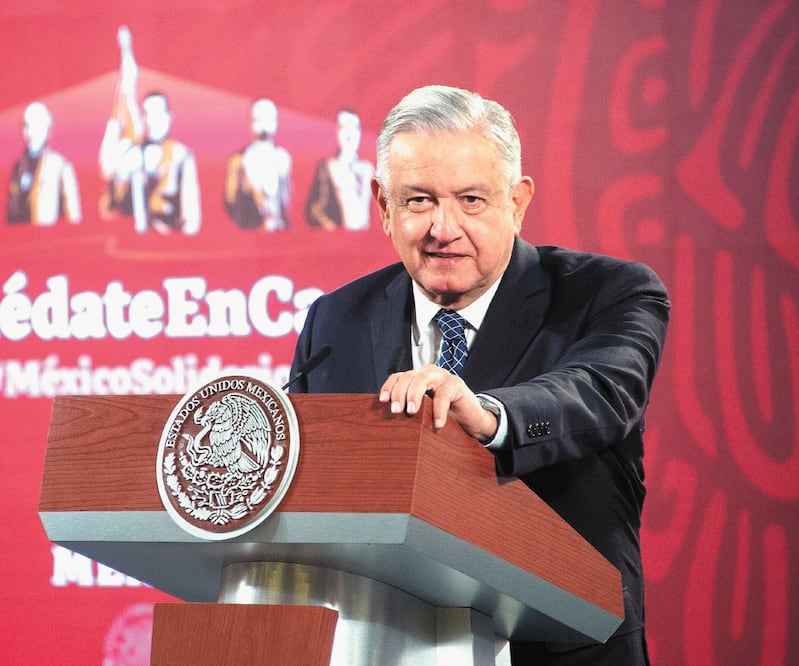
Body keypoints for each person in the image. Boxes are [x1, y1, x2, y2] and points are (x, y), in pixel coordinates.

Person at [290, 85, 669, 665]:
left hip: (561, 647)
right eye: (418, 201)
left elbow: (600, 392)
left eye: (470, 199)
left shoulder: (608, 293)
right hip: (375, 644)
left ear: (517, 202)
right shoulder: (336, 319)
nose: (444, 227)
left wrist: (488, 413)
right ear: (383, 207)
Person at [99, 27, 201, 235]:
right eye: (147, 113)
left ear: (168, 117)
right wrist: (121, 177)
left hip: (169, 245)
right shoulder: (131, 151)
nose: (152, 120)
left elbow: (191, 216)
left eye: (157, 113)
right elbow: (108, 204)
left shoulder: (181, 155)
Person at [7, 101, 82, 224]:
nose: (30, 133)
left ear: (47, 129)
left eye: (36, 126)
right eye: (26, 126)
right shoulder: (18, 168)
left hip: (49, 239)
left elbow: (74, 217)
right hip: (23, 240)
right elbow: (12, 213)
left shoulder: (61, 167)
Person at [224, 98, 292, 231]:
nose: (264, 128)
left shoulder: (283, 157)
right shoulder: (238, 161)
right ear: (250, 121)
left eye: (269, 120)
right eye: (258, 120)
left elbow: (286, 199)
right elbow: (230, 200)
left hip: (279, 232)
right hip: (250, 232)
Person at [305, 109, 374, 230]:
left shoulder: (368, 169)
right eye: (344, 128)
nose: (349, 135)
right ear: (336, 131)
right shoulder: (327, 167)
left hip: (366, 241)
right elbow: (314, 210)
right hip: (339, 240)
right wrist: (331, 228)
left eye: (354, 128)